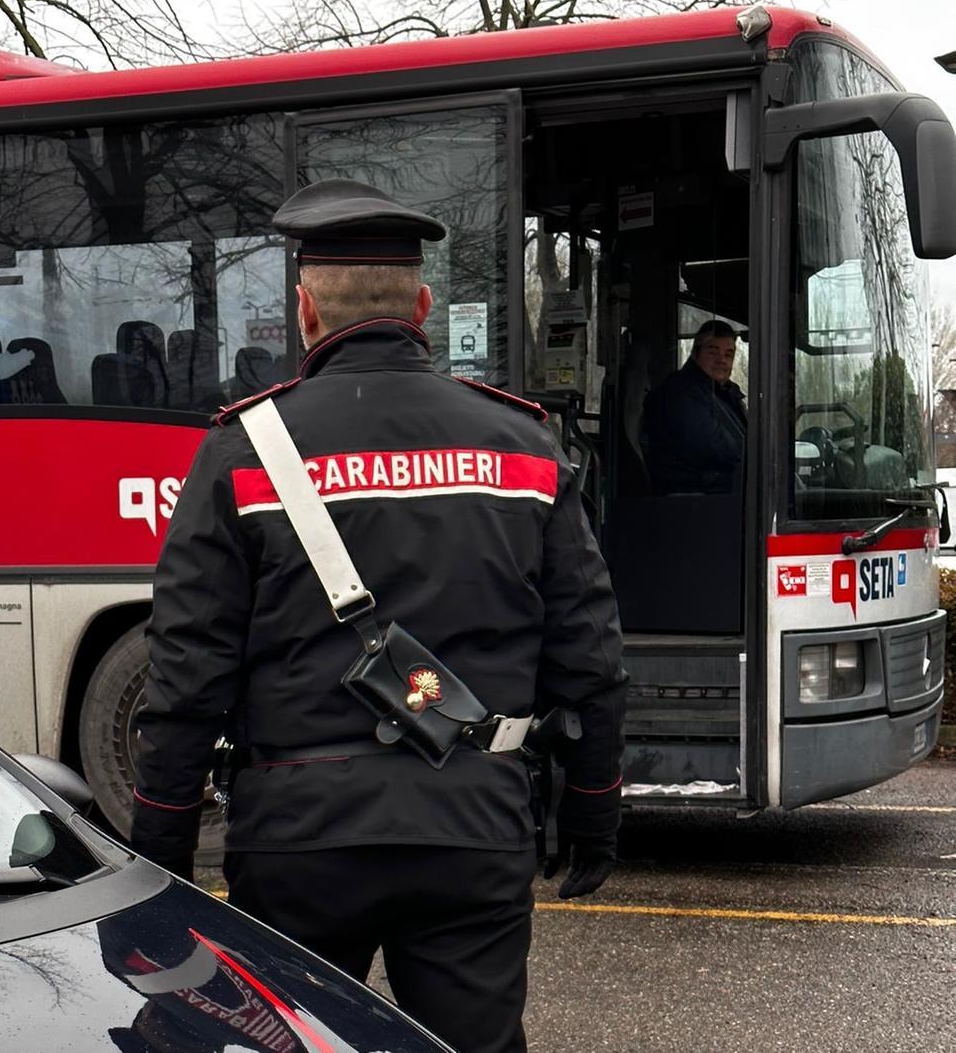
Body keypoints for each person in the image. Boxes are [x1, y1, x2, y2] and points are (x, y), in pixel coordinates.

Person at [128, 178, 627, 1053]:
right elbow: (588, 654)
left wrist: (160, 847)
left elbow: (185, 674)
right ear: (423, 306)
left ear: (304, 311)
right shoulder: (522, 442)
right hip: (476, 824)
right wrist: (592, 804)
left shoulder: (243, 450)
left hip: (298, 840)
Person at [643, 319, 747, 494]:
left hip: (719, 488)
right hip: (696, 495)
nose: (722, 360)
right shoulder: (681, 391)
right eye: (713, 352)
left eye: (728, 354)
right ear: (695, 353)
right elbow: (710, 447)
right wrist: (755, 454)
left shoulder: (723, 392)